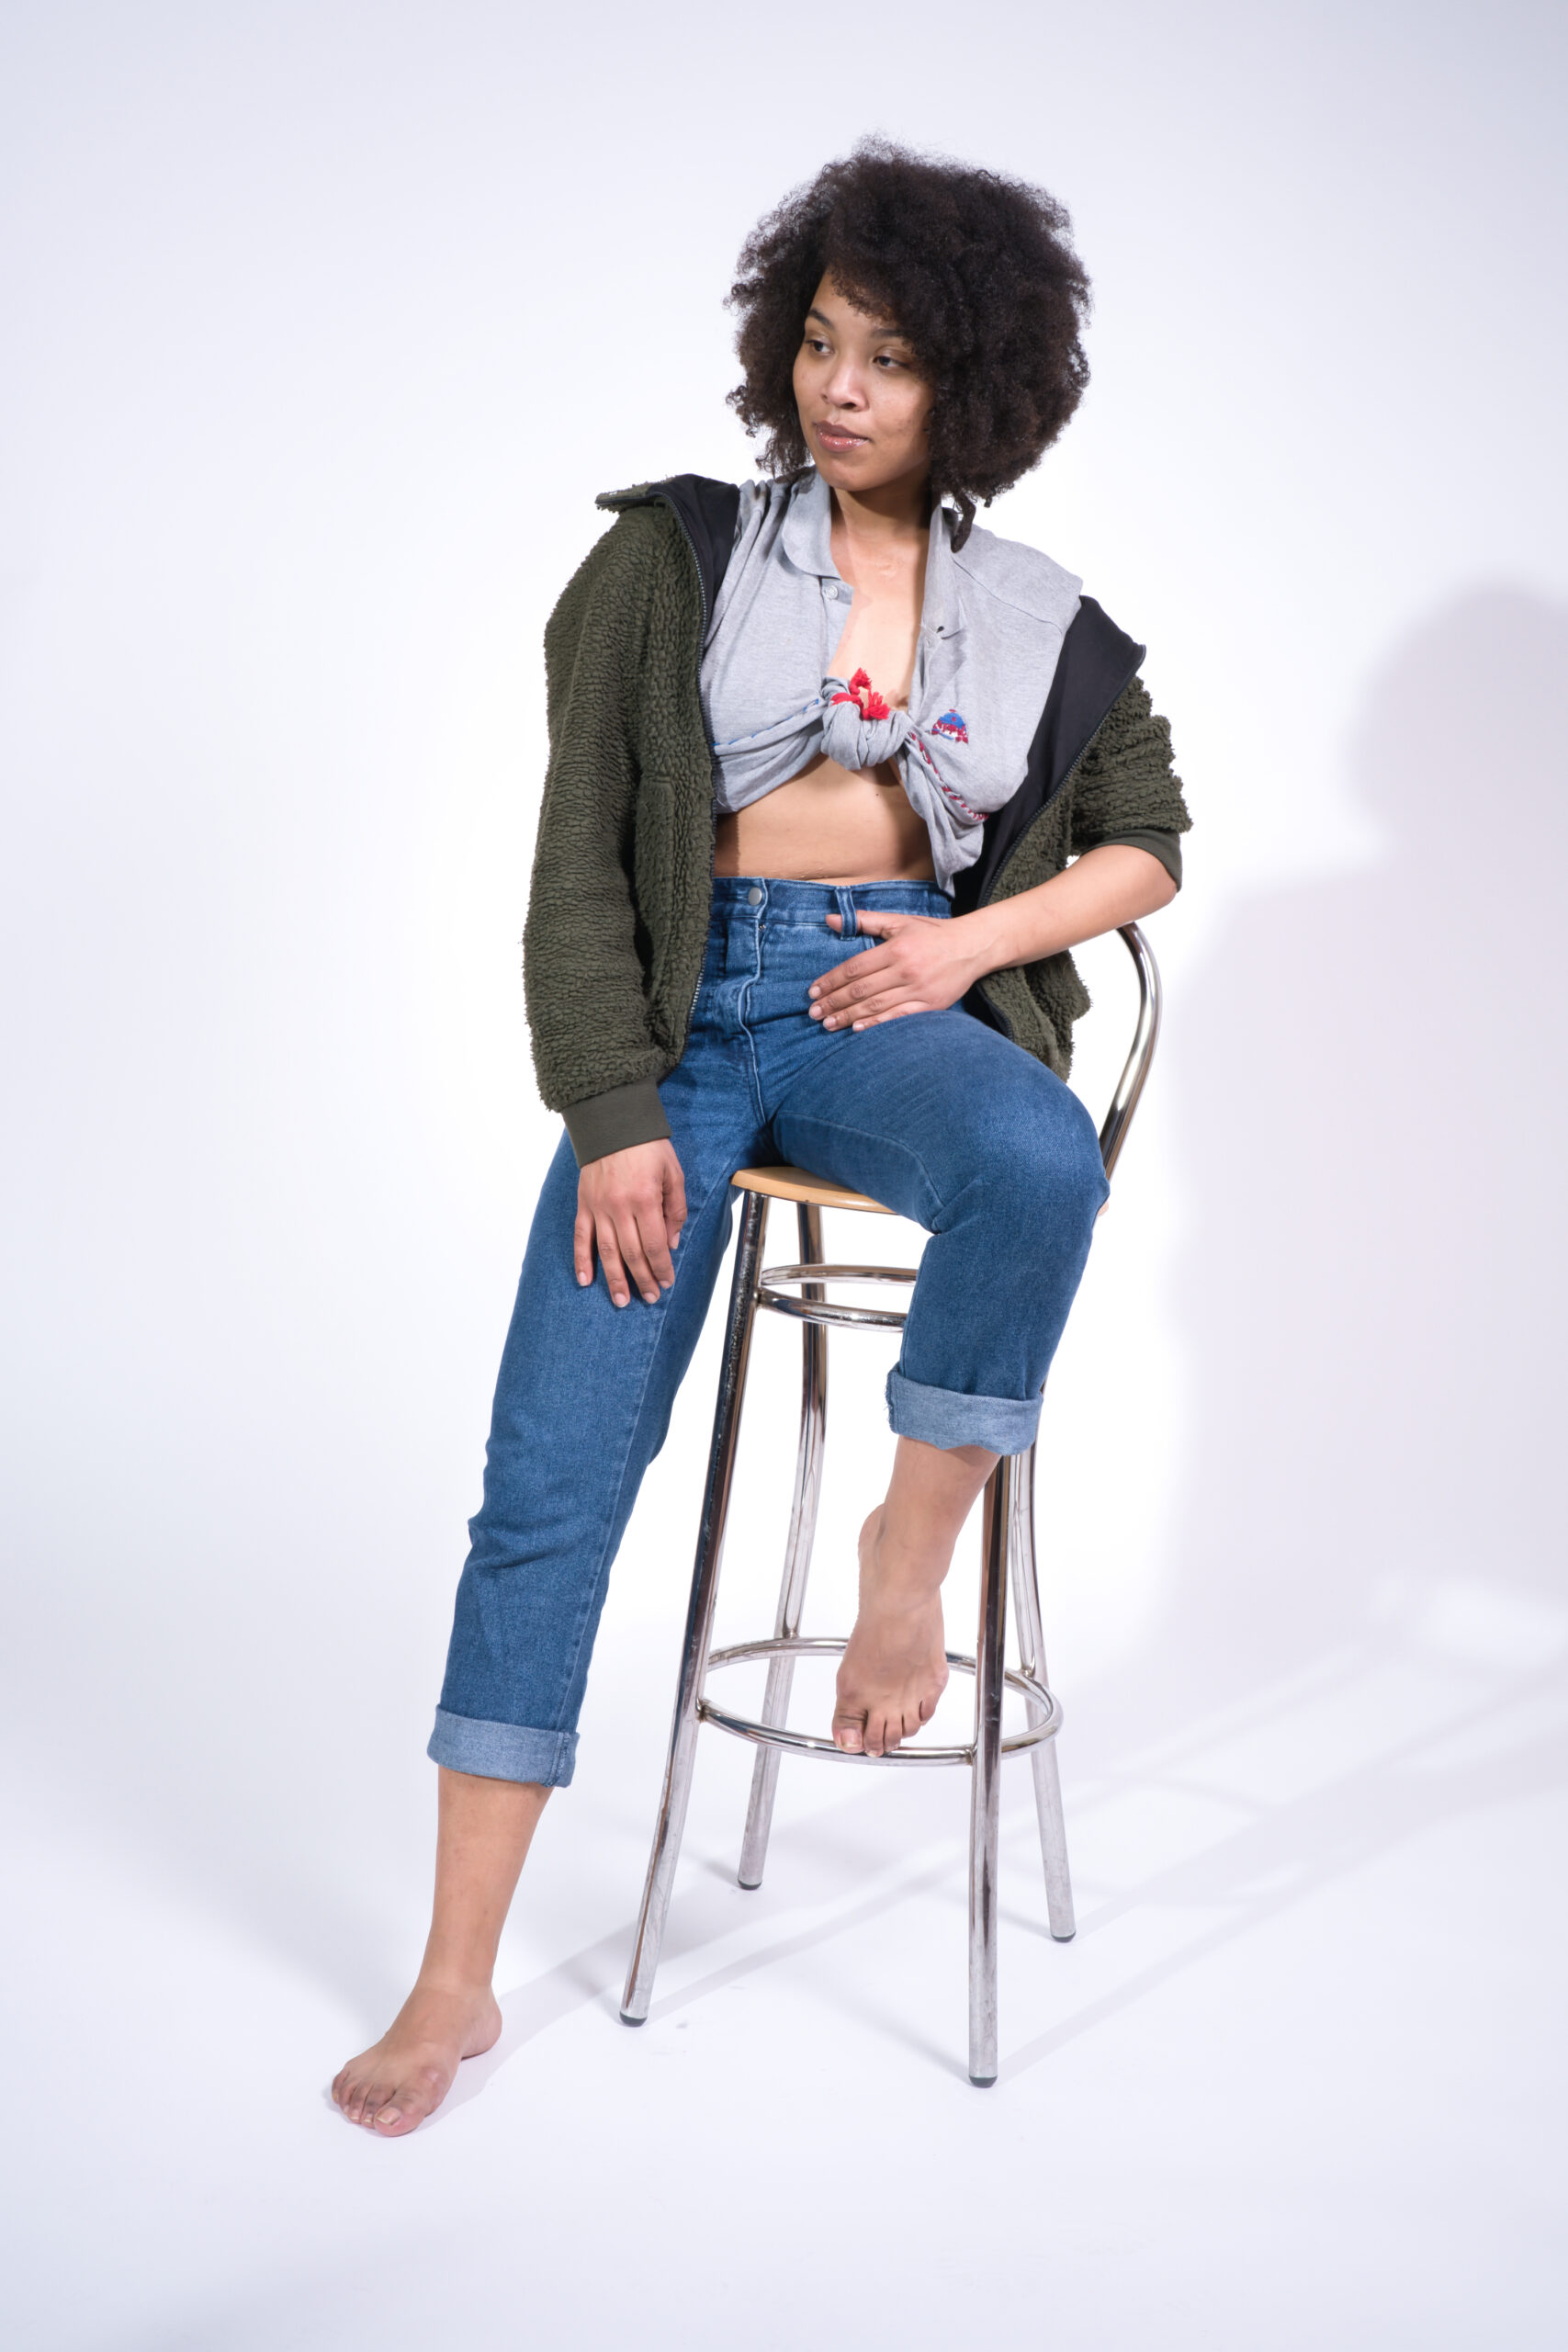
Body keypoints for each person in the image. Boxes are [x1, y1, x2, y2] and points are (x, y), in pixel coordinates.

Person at [333, 141, 1190, 2134]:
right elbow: (577, 866)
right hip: (681, 1020)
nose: (840, 388)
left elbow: (1149, 841)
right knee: (552, 1473)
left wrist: (961, 941)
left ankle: (909, 1548)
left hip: (882, 1001)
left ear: (974, 387)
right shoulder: (672, 563)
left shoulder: (1038, 620)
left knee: (1038, 1161)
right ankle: (453, 1978)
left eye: (890, 358)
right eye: (819, 343)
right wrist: (615, 1109)